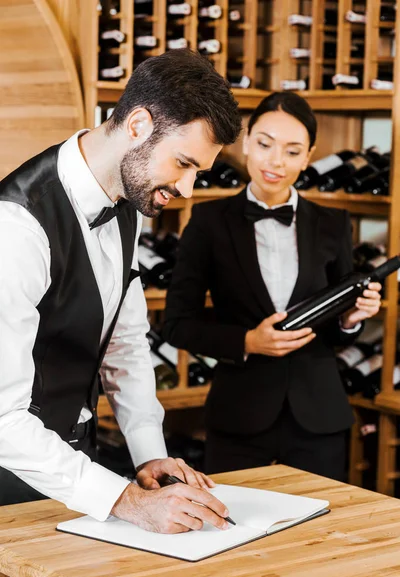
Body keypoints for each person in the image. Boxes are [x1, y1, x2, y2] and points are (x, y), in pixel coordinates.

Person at [0, 49, 242, 534]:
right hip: (8, 485)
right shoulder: (16, 228)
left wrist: (150, 456)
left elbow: (125, 343)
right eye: (184, 163)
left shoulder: (128, 197)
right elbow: (1, 419)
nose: (189, 189)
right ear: (136, 125)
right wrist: (125, 501)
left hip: (78, 478)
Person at [163, 91, 382, 481]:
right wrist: (247, 341)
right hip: (238, 418)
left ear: (309, 155)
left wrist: (350, 319)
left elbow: (337, 334)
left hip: (319, 419)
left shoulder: (333, 223)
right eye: (264, 144)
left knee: (321, 536)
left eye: (293, 151)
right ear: (246, 141)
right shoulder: (208, 221)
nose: (276, 161)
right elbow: (178, 323)